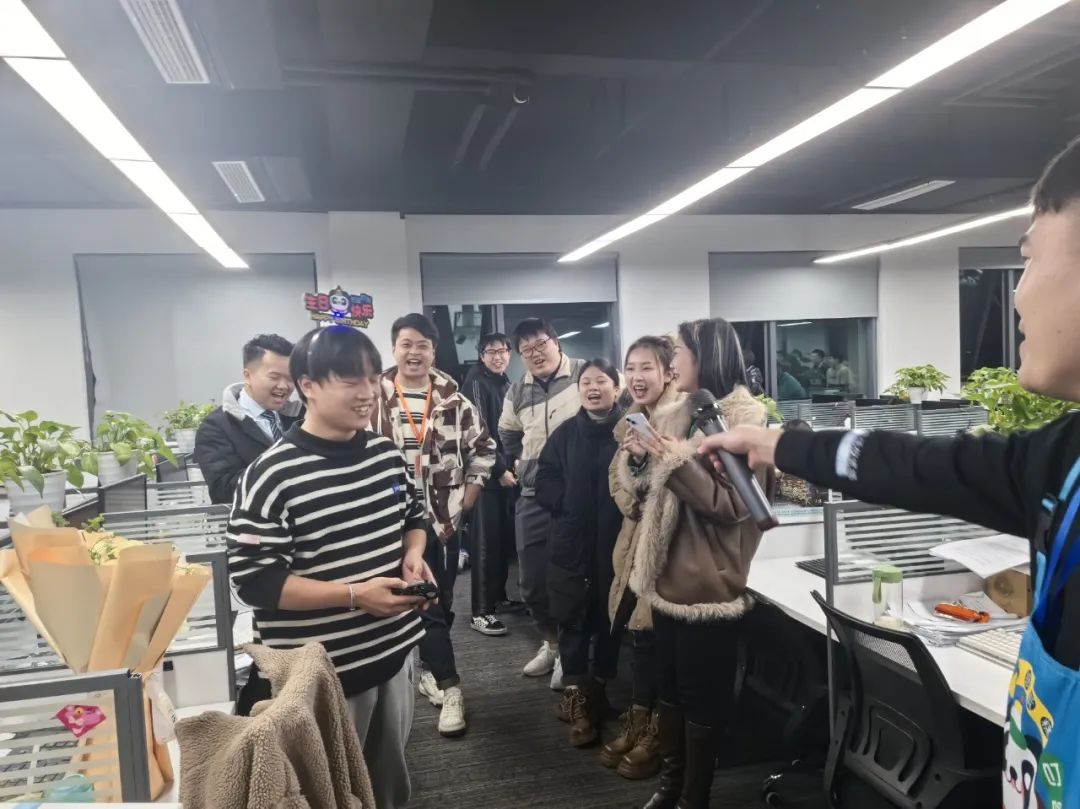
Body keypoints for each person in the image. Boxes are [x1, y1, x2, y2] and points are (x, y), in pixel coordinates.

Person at [699, 135, 1080, 809]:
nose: (1016, 295)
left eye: (1027, 259)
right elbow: (918, 466)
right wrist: (780, 444)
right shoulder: (1062, 456)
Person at [226, 325, 432, 809]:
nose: (367, 393)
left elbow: (414, 516)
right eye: (349, 380)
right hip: (320, 676)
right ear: (308, 386)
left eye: (372, 379)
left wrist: (413, 554)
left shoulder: (385, 454)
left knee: (387, 786)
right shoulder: (271, 475)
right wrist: (356, 595)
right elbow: (255, 582)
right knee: (326, 794)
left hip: (393, 655)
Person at [622, 318, 771, 809]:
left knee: (701, 698)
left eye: (679, 353)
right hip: (665, 575)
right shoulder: (676, 411)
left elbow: (732, 506)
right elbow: (648, 487)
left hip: (707, 580)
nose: (672, 363)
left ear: (705, 357)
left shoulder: (746, 420)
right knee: (670, 690)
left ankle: (693, 797)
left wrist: (673, 461)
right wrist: (641, 458)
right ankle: (670, 786)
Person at [373, 313, 496, 738]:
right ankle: (449, 684)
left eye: (422, 345)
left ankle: (429, 668)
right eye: (406, 344)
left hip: (441, 520)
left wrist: (468, 501)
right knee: (421, 603)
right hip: (387, 522)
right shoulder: (373, 399)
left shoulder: (454, 402)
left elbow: (484, 450)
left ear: (433, 351)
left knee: (439, 601)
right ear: (394, 348)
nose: (414, 353)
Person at [604, 335, 683, 781]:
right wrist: (632, 491)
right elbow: (617, 483)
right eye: (630, 368)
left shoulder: (682, 419)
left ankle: (658, 731)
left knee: (659, 640)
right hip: (634, 540)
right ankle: (637, 720)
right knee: (638, 635)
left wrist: (646, 473)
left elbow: (682, 483)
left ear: (669, 373)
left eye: (646, 367)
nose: (636, 376)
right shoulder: (631, 422)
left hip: (670, 546)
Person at [535, 359, 624, 748]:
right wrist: (566, 503)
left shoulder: (629, 432)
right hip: (572, 541)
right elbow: (544, 478)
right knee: (571, 617)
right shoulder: (565, 433)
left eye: (601, 381)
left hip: (615, 542)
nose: (593, 388)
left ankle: (598, 692)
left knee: (610, 619)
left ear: (616, 388)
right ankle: (576, 700)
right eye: (585, 382)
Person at [499, 318, 586, 685]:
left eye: (540, 344)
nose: (535, 354)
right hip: (533, 495)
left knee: (572, 579)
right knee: (532, 581)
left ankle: (571, 651)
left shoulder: (584, 374)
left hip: (577, 496)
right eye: (526, 350)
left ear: (556, 341)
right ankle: (550, 643)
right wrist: (525, 464)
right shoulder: (518, 389)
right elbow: (507, 433)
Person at [462, 332, 523, 636]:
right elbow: (480, 431)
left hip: (506, 474)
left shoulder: (504, 381)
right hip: (484, 476)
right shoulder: (476, 381)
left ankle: (498, 598)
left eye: (503, 351)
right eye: (491, 352)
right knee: (484, 545)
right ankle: (481, 611)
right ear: (481, 355)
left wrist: (515, 462)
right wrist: (499, 469)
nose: (498, 356)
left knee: (500, 541)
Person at [194, 334, 302, 505]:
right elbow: (223, 490)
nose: (284, 386)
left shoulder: (301, 416)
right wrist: (282, 467)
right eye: (274, 377)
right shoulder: (215, 427)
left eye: (290, 378)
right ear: (247, 376)